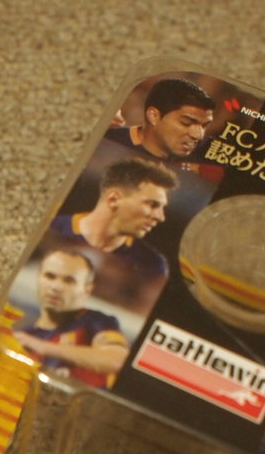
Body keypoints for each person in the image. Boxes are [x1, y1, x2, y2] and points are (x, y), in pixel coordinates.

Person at [46, 157, 177, 284]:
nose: (160, 217)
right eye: (153, 205)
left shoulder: (153, 265)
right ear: (113, 199)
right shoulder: (50, 227)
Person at [14, 249, 130, 388]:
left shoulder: (96, 322)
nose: (56, 287)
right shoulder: (26, 337)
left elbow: (118, 361)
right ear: (38, 278)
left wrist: (43, 347)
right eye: (50, 276)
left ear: (87, 289)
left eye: (69, 281)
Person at [104, 77, 217, 165]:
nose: (199, 135)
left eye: (204, 126)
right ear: (154, 116)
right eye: (186, 122)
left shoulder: (203, 158)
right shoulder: (109, 140)